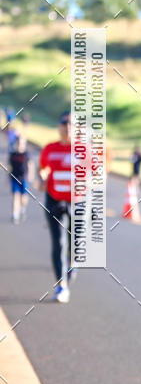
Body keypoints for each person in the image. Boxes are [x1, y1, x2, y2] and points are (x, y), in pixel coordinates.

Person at [38, 111, 73, 303]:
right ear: (59, 126)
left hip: (77, 202)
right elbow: (43, 168)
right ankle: (61, 285)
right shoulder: (50, 149)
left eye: (71, 123)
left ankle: (70, 270)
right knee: (59, 242)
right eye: (64, 123)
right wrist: (42, 175)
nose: (67, 126)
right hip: (55, 200)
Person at [8, 134, 32, 223]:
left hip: (24, 178)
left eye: (21, 143)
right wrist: (7, 177)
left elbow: (30, 165)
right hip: (14, 178)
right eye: (18, 143)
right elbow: (9, 166)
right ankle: (15, 215)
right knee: (15, 196)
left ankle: (22, 209)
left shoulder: (26, 154)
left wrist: (30, 176)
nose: (19, 145)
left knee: (23, 197)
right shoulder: (12, 154)